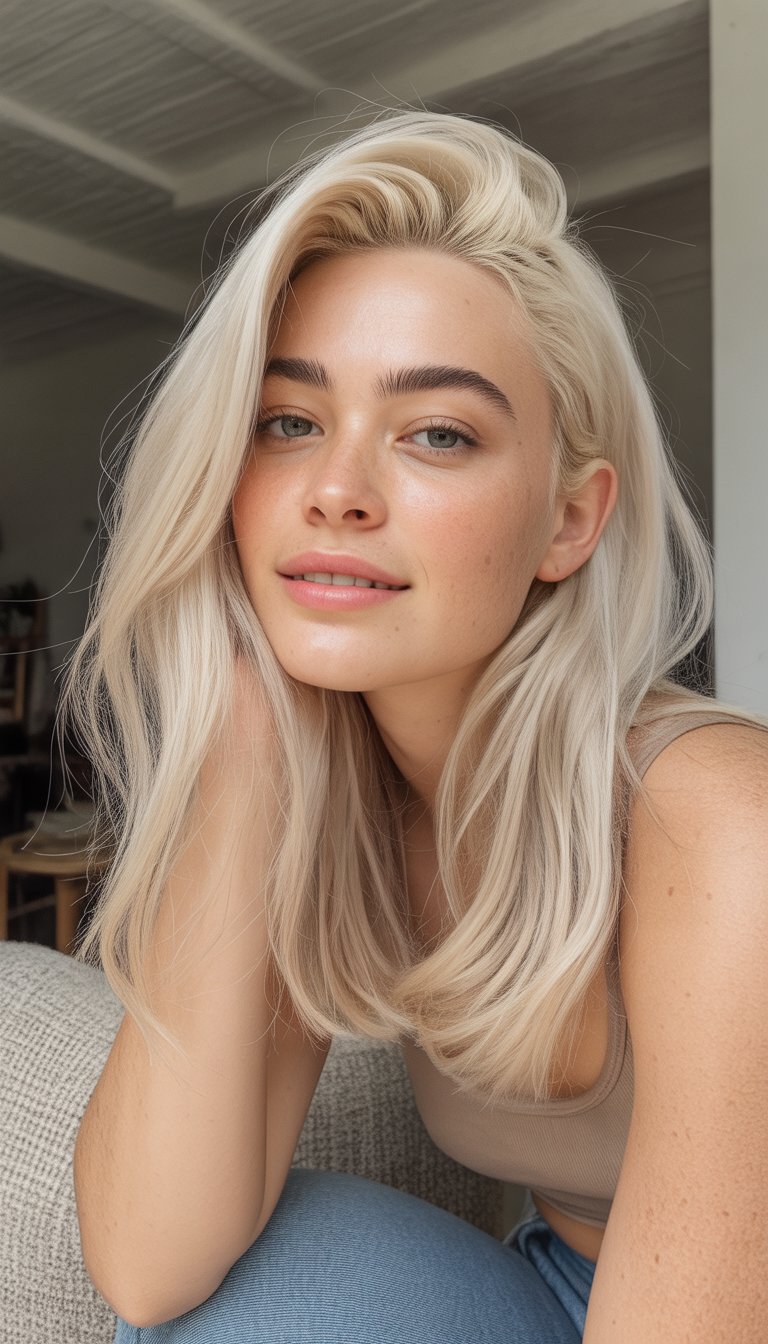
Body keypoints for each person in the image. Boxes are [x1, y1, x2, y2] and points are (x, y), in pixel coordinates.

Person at [64, 111, 768, 1343]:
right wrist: (243, 736)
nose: (336, 490)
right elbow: (148, 1267)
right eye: (289, 422)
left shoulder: (719, 826)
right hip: (561, 1291)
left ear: (569, 522)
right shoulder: (342, 812)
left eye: (438, 432)